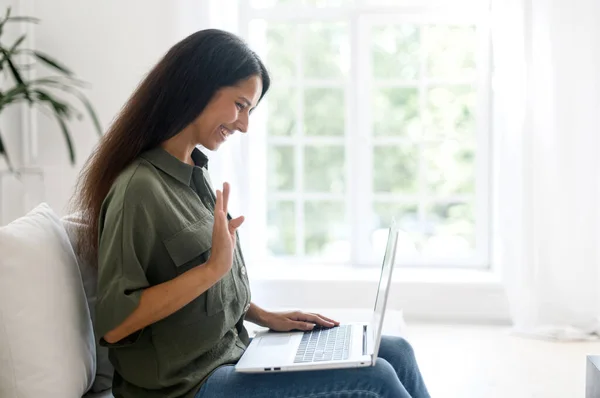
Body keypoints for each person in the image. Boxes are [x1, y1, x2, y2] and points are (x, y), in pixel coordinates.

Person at [70, 29, 431, 398]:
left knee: (396, 352)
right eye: (240, 105)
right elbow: (116, 324)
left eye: (250, 111)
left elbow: (200, 296)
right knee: (376, 378)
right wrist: (211, 269)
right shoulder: (139, 189)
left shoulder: (194, 172)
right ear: (197, 86)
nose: (244, 125)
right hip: (185, 387)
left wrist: (262, 315)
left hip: (231, 356)